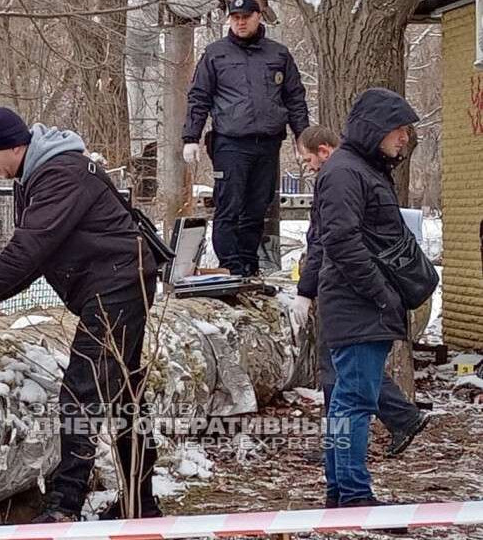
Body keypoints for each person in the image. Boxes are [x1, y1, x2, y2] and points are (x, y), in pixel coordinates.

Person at [0, 107, 160, 522]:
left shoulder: (58, 174)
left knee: (80, 395)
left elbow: (26, 251)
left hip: (117, 286)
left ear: (16, 146)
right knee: (123, 396)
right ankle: (142, 501)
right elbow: (32, 259)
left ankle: (65, 506)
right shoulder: (34, 175)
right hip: (120, 282)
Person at [294, 126, 430, 460]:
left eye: (309, 159)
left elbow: (326, 242)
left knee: (342, 381)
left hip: (346, 296)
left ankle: (345, 472)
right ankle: (391, 425)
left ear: (324, 151)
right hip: (357, 295)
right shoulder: (356, 174)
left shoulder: (339, 179)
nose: (309, 167)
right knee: (354, 379)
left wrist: (305, 290)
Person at [314, 88, 420, 509]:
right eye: (398, 130)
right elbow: (341, 240)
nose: (405, 139)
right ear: (376, 129)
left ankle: (341, 490)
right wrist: (380, 294)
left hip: (359, 302)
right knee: (355, 401)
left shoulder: (361, 168)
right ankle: (354, 494)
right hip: (357, 302)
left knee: (347, 399)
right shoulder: (345, 171)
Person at [182, 0, 309, 276]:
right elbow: (199, 97)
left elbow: (295, 98)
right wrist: (191, 136)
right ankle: (230, 268)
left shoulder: (278, 54)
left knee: (256, 208)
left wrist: (303, 137)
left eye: (246, 16)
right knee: (229, 207)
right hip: (230, 143)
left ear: (258, 16)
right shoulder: (215, 54)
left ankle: (248, 268)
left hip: (268, 143)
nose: (240, 22)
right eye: (235, 16)